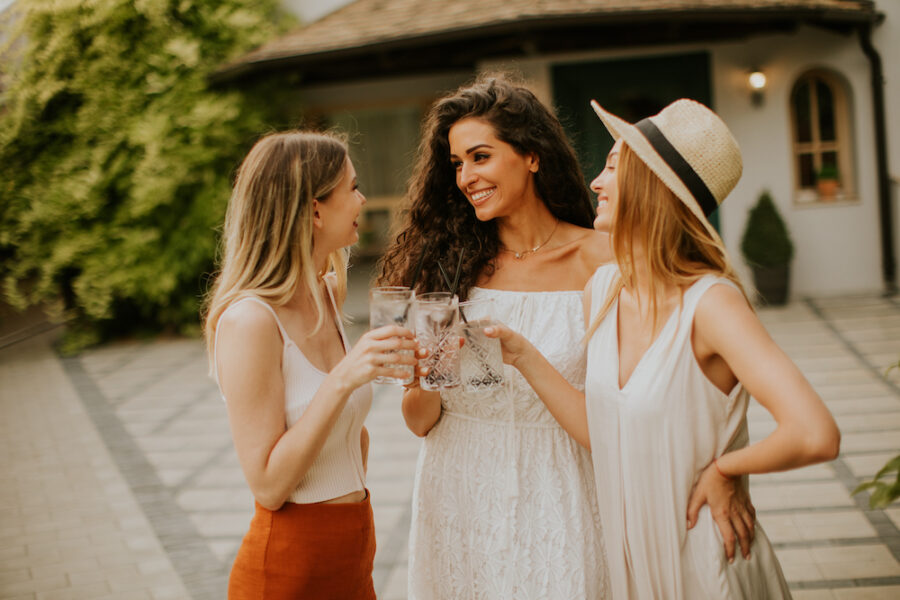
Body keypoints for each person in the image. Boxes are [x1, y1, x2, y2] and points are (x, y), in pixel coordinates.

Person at [487, 98, 841, 598]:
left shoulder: (711, 304)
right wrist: (521, 354)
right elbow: (603, 432)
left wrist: (726, 469)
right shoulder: (604, 290)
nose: (595, 183)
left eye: (612, 167)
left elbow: (815, 433)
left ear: (651, 185)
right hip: (632, 563)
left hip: (704, 558)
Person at [376, 74, 614, 598]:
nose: (466, 177)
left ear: (531, 155)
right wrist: (425, 375)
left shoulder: (601, 259)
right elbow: (420, 422)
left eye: (480, 157)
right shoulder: (449, 267)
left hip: (562, 483)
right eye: (457, 164)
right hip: (458, 488)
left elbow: (626, 404)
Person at [204, 131, 421, 599]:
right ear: (314, 210)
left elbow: (350, 440)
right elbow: (268, 485)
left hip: (351, 552)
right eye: (353, 187)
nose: (363, 199)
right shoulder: (249, 321)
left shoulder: (325, 292)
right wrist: (344, 379)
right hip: (288, 569)